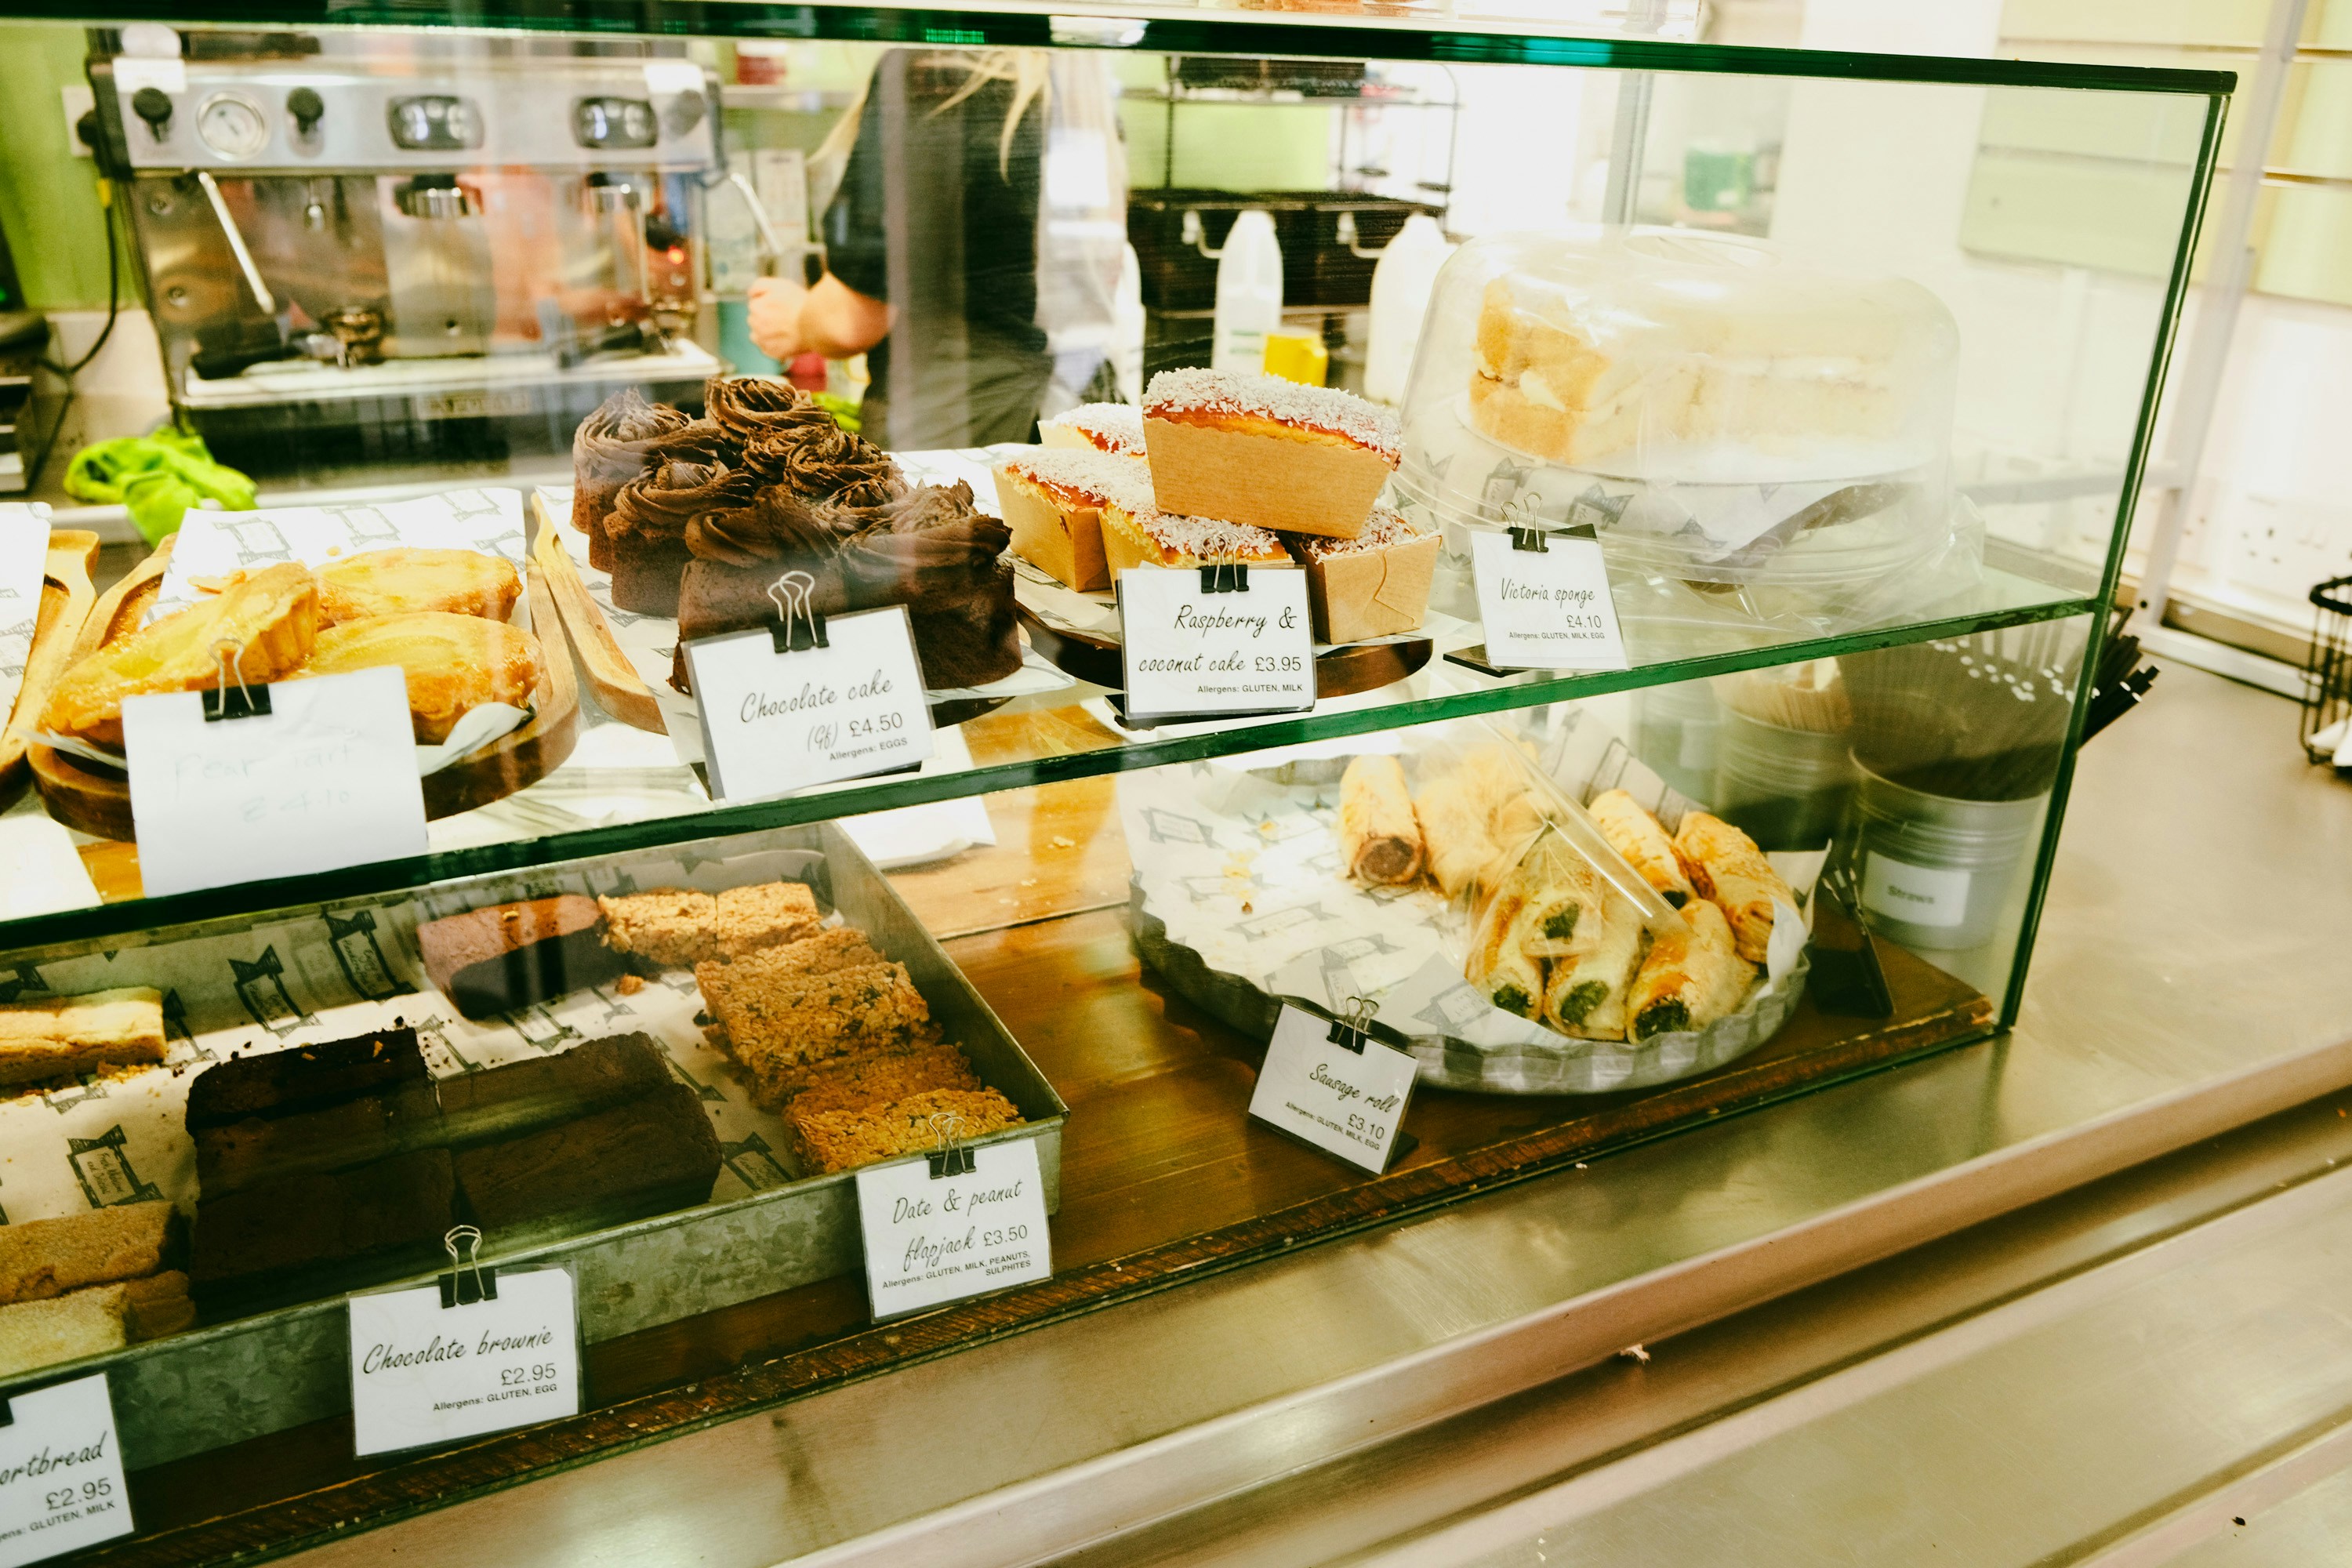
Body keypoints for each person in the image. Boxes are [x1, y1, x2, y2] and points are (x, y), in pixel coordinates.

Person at [747, 49, 1126, 451]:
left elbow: (851, 319)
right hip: (1085, 420)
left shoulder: (937, 70)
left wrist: (798, 318)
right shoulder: (1078, 69)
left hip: (965, 429)